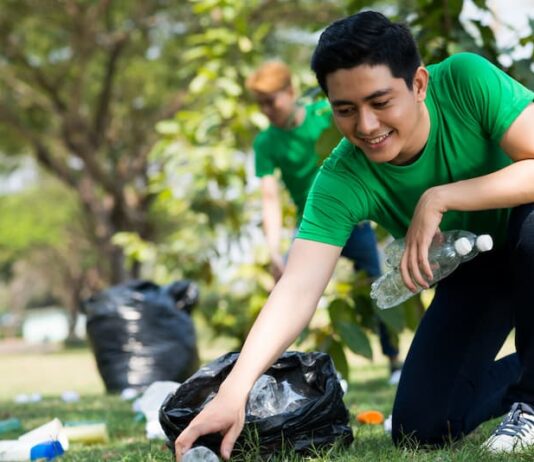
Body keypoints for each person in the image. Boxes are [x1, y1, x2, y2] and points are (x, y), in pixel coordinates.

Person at [175, 11, 534, 460]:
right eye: (345, 110)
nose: (366, 126)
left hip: (527, 237)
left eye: (380, 102)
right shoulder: (342, 177)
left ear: (418, 84)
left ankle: (530, 404)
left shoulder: (465, 80)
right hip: (474, 268)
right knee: (421, 426)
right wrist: (234, 390)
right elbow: (297, 288)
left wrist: (439, 197)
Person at [245, 60, 402, 378]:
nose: (266, 110)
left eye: (271, 101)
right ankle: (277, 368)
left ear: (290, 92)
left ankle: (394, 360)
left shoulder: (324, 116)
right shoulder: (266, 142)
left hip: (355, 223)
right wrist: (274, 250)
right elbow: (269, 197)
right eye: (260, 104)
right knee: (287, 291)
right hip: (314, 227)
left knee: (380, 285)